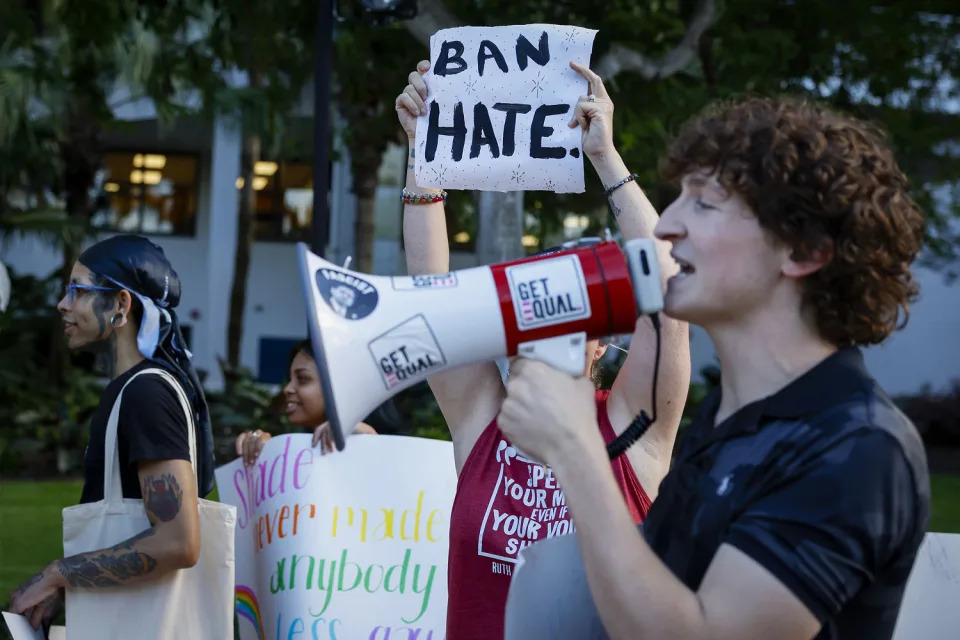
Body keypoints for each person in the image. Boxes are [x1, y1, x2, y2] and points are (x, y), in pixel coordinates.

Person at [498, 96, 931, 639]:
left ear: (802, 252)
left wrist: (574, 450)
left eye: (703, 203)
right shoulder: (733, 421)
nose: (668, 226)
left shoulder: (860, 447)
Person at [395, 60, 691, 639]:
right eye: (535, 305)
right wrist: (423, 157)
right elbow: (430, 295)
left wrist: (605, 158)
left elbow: (669, 299)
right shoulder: (488, 421)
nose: (546, 323)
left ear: (601, 344)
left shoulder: (628, 429)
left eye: (569, 312)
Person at [9, 234, 217, 631]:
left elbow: (178, 541)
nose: (63, 305)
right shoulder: (134, 390)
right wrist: (67, 585)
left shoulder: (147, 394)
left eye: (77, 291)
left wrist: (59, 573)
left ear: (121, 305)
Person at [234, 339, 377, 465]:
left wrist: (369, 439)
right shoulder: (292, 453)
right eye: (290, 379)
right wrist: (262, 451)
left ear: (339, 386)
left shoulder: (382, 448)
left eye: (302, 378)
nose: (287, 389)